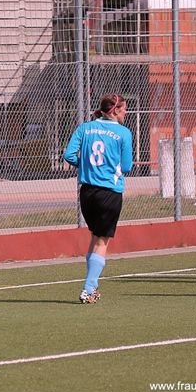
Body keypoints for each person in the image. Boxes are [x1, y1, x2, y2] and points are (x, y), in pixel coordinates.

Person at [63, 94, 133, 303]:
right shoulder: (123, 133)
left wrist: (85, 166)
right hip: (109, 192)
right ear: (115, 110)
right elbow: (127, 166)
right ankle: (88, 288)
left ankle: (92, 287)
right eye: (124, 109)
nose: (126, 112)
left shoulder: (85, 128)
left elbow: (68, 155)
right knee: (102, 241)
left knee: (95, 237)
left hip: (87, 193)